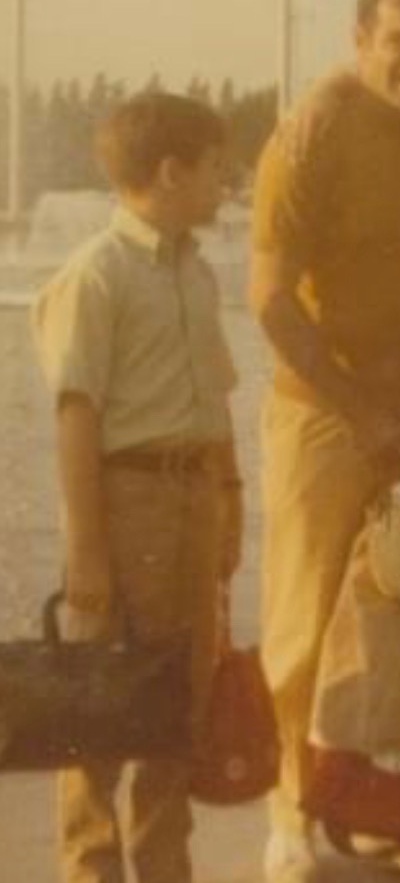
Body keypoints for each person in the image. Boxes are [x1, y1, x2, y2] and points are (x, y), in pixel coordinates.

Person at [248, 0, 400, 882]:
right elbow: (267, 299)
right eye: (398, 39)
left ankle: (370, 806)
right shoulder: (310, 136)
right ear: (361, 39)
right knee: (301, 618)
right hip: (323, 415)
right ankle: (288, 807)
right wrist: (359, 408)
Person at [32, 92, 242, 883]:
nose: (226, 184)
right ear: (171, 172)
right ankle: (89, 867)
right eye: (216, 169)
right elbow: (76, 417)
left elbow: (215, 397)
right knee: (98, 698)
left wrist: (231, 496)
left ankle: (163, 866)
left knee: (179, 696)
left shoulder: (196, 272)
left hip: (193, 497)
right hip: (126, 503)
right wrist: (87, 552)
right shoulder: (97, 276)